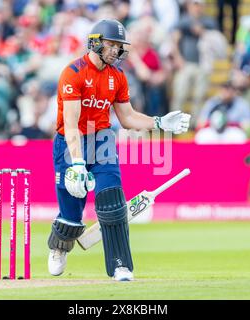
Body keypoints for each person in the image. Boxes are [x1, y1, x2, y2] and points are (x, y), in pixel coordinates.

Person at [47, 19, 191, 281]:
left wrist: (159, 123)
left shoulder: (118, 76)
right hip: (70, 142)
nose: (115, 50)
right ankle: (59, 248)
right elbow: (70, 124)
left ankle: (120, 265)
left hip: (102, 139)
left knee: (112, 203)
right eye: (111, 44)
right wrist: (78, 164)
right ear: (96, 42)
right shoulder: (74, 72)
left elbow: (127, 117)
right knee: (71, 216)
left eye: (118, 46)